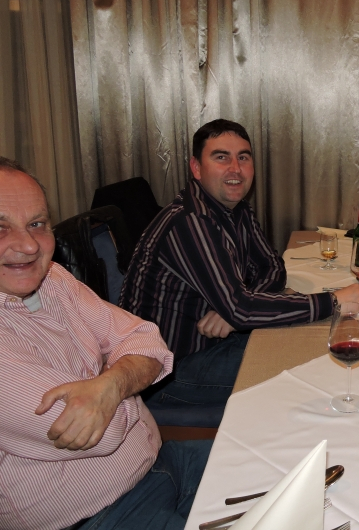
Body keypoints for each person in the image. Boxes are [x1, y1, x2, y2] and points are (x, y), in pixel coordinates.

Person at [0, 157, 211, 530]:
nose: (29, 245)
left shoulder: (53, 279)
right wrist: (127, 373)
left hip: (160, 464)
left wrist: (109, 384)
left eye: (36, 224)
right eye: (1, 228)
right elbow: (102, 433)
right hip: (99, 516)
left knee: (289, 469)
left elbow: (149, 338)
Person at [119, 119, 359, 421]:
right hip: (169, 372)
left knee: (313, 340)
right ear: (196, 168)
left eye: (243, 157)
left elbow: (272, 267)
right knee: (312, 363)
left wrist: (233, 310)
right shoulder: (190, 222)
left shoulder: (236, 210)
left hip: (212, 344)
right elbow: (242, 308)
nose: (235, 169)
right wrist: (334, 300)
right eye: (221, 157)